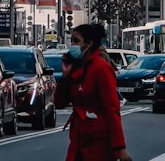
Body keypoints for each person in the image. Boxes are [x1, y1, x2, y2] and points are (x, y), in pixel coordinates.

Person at [54, 23, 131, 161]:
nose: (72, 45)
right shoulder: (75, 68)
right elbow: (59, 103)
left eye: (76, 41)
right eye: (71, 40)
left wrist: (120, 147)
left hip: (98, 143)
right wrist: (65, 77)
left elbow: (112, 109)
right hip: (78, 141)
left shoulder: (101, 69)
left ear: (89, 44)